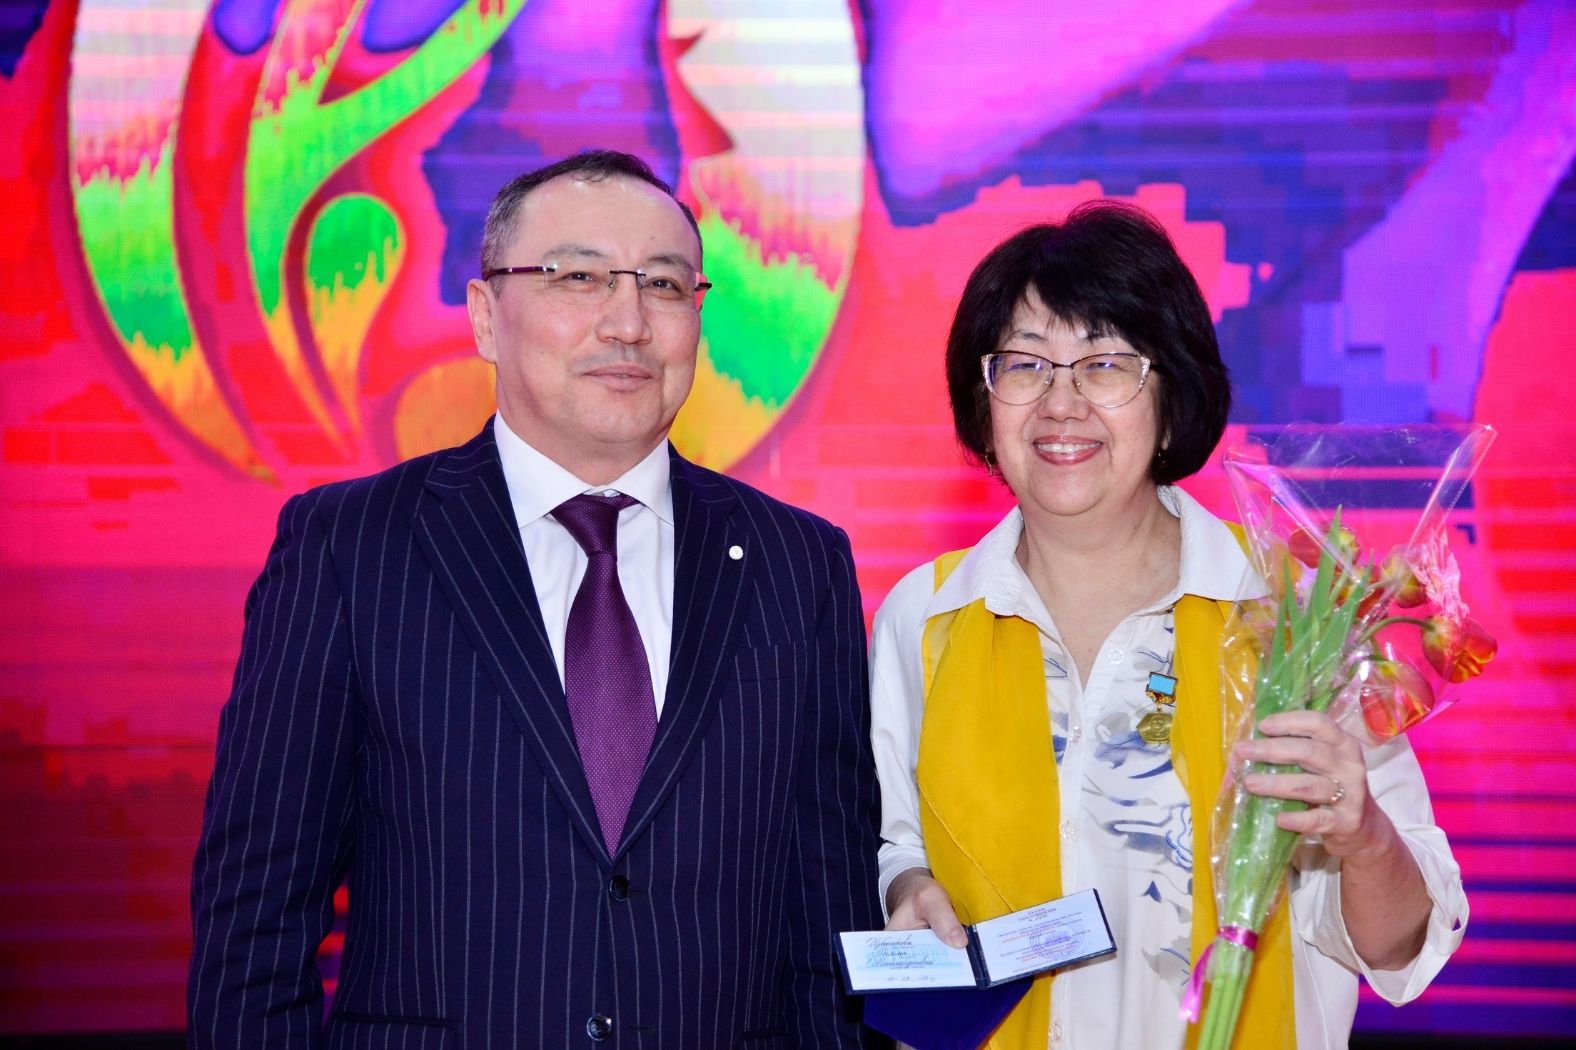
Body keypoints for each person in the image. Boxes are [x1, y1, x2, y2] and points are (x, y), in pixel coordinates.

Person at [189, 150, 885, 1048]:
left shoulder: (799, 564)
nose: (628, 322)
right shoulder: (349, 547)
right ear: (486, 315)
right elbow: (256, 920)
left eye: (664, 285)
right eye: (578, 277)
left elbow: (829, 925)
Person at [869, 202, 1466, 1049]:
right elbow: (895, 846)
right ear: (983, 397)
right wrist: (906, 890)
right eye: (1025, 364)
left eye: (1106, 364)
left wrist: (1364, 839)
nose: (1061, 403)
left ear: (1172, 397)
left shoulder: (1294, 622)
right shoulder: (923, 616)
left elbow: (1403, 948)